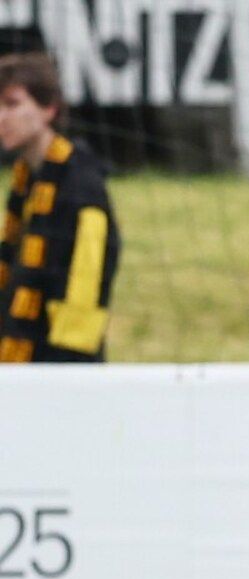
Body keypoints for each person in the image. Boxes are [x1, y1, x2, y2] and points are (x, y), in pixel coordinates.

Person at [0, 52, 121, 362]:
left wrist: (70, 361)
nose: (2, 117)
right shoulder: (26, 178)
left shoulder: (81, 183)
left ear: (49, 110)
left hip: (60, 359)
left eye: (12, 104)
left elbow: (89, 278)